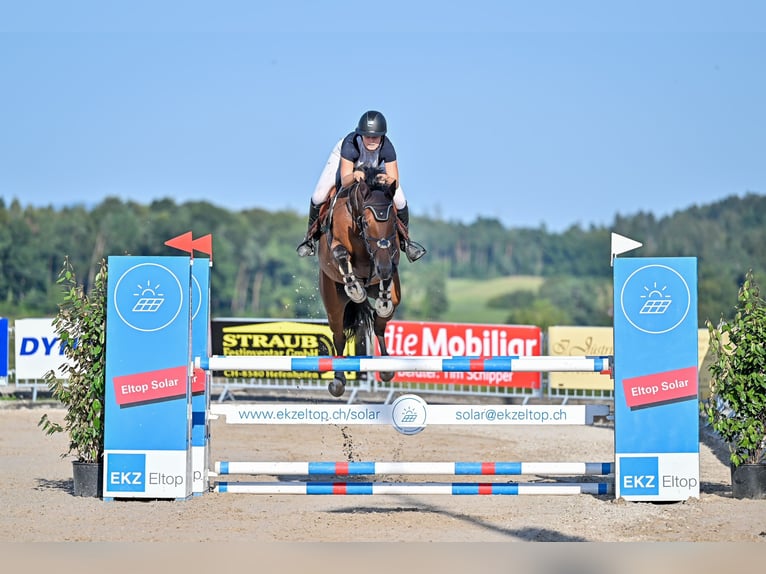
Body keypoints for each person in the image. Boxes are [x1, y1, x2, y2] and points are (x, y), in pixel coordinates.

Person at [296, 110, 426, 262]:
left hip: (376, 167)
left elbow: (395, 182)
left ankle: (406, 242)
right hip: (345, 163)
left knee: (400, 201)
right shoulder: (350, 144)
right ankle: (310, 238)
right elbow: (345, 181)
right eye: (367, 136)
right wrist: (354, 175)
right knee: (318, 195)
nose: (371, 140)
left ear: (382, 136)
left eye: (375, 137)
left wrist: (387, 179)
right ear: (361, 134)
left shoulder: (387, 148)